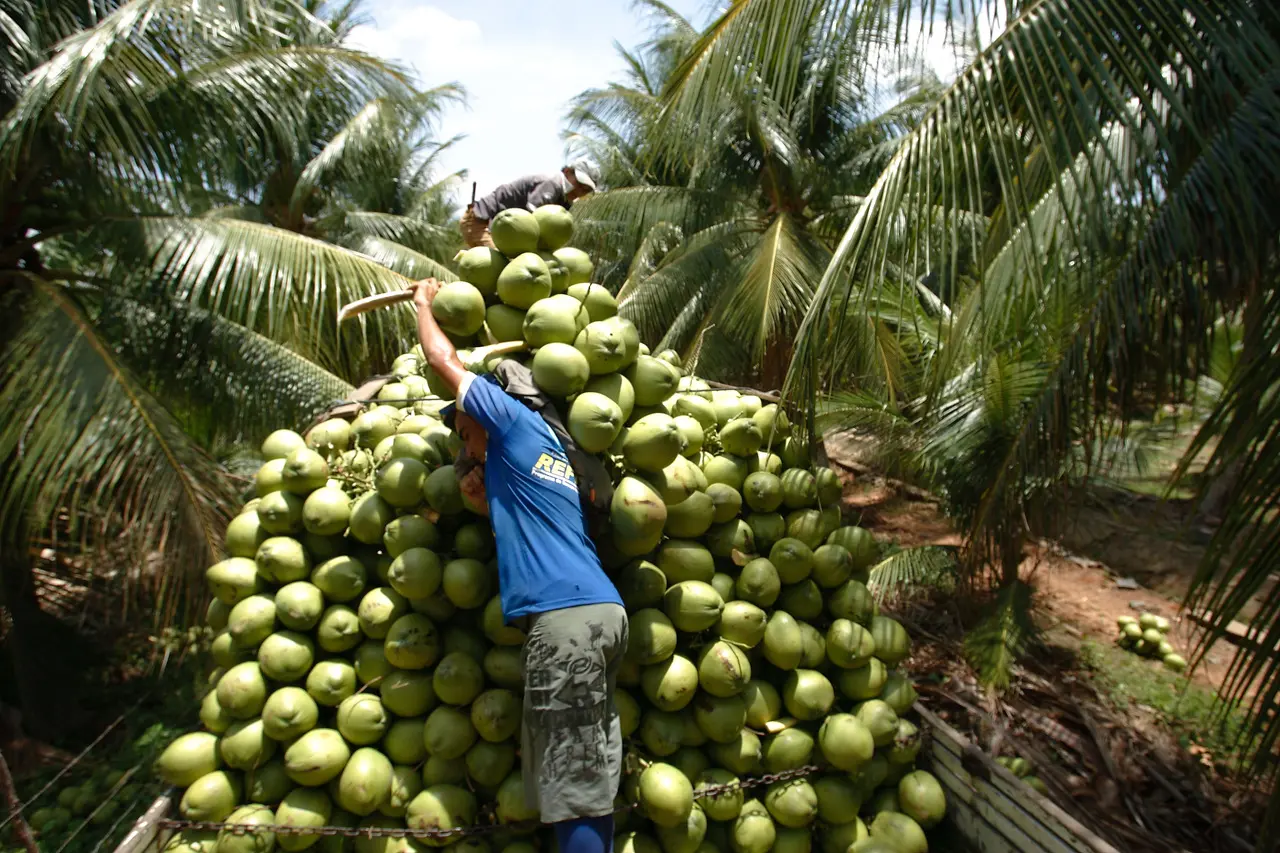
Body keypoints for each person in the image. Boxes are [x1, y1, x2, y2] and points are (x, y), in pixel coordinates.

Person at [410, 277, 628, 853]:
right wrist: (482, 496)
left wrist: (422, 305)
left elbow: (441, 360)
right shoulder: (546, 452)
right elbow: (523, 523)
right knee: (587, 771)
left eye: (463, 429)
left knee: (572, 781)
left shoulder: (506, 418)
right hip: (600, 613)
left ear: (486, 411)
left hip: (564, 623)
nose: (464, 443)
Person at [460, 161, 599, 248]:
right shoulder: (553, 183)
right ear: (567, 172)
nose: (579, 191)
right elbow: (530, 220)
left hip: (495, 229)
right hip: (480, 221)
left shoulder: (564, 202)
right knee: (499, 269)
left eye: (585, 190)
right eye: (579, 184)